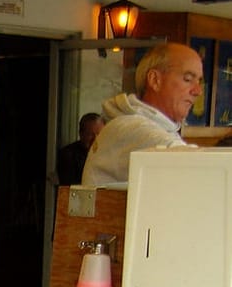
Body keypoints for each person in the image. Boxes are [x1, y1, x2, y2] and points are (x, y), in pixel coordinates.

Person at [81, 42, 204, 185]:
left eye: (199, 81)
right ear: (155, 80)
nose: (198, 91)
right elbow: (200, 166)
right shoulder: (129, 127)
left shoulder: (155, 127)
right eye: (188, 79)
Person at [56, 112, 103, 185]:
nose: (95, 138)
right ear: (81, 134)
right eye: (90, 134)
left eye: (99, 134)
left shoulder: (106, 153)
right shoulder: (68, 154)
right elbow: (69, 185)